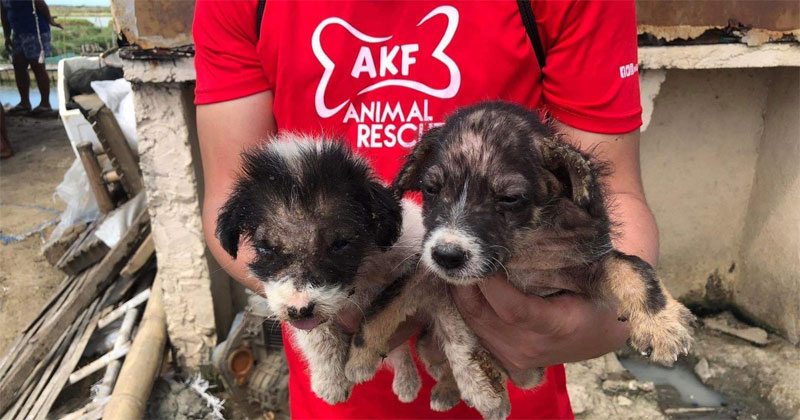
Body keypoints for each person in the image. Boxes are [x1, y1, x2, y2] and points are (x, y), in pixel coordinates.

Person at [194, 1, 654, 418]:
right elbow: (230, 208)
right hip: (340, 392)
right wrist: (320, 295)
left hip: (513, 387)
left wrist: (599, 321)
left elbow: (610, 197)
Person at [1, 0, 61, 116]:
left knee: (37, 66)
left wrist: (49, 19)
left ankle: (45, 103)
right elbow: (4, 13)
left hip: (35, 32)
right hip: (18, 33)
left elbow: (40, 4)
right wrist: (7, 36)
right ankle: (24, 103)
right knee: (18, 65)